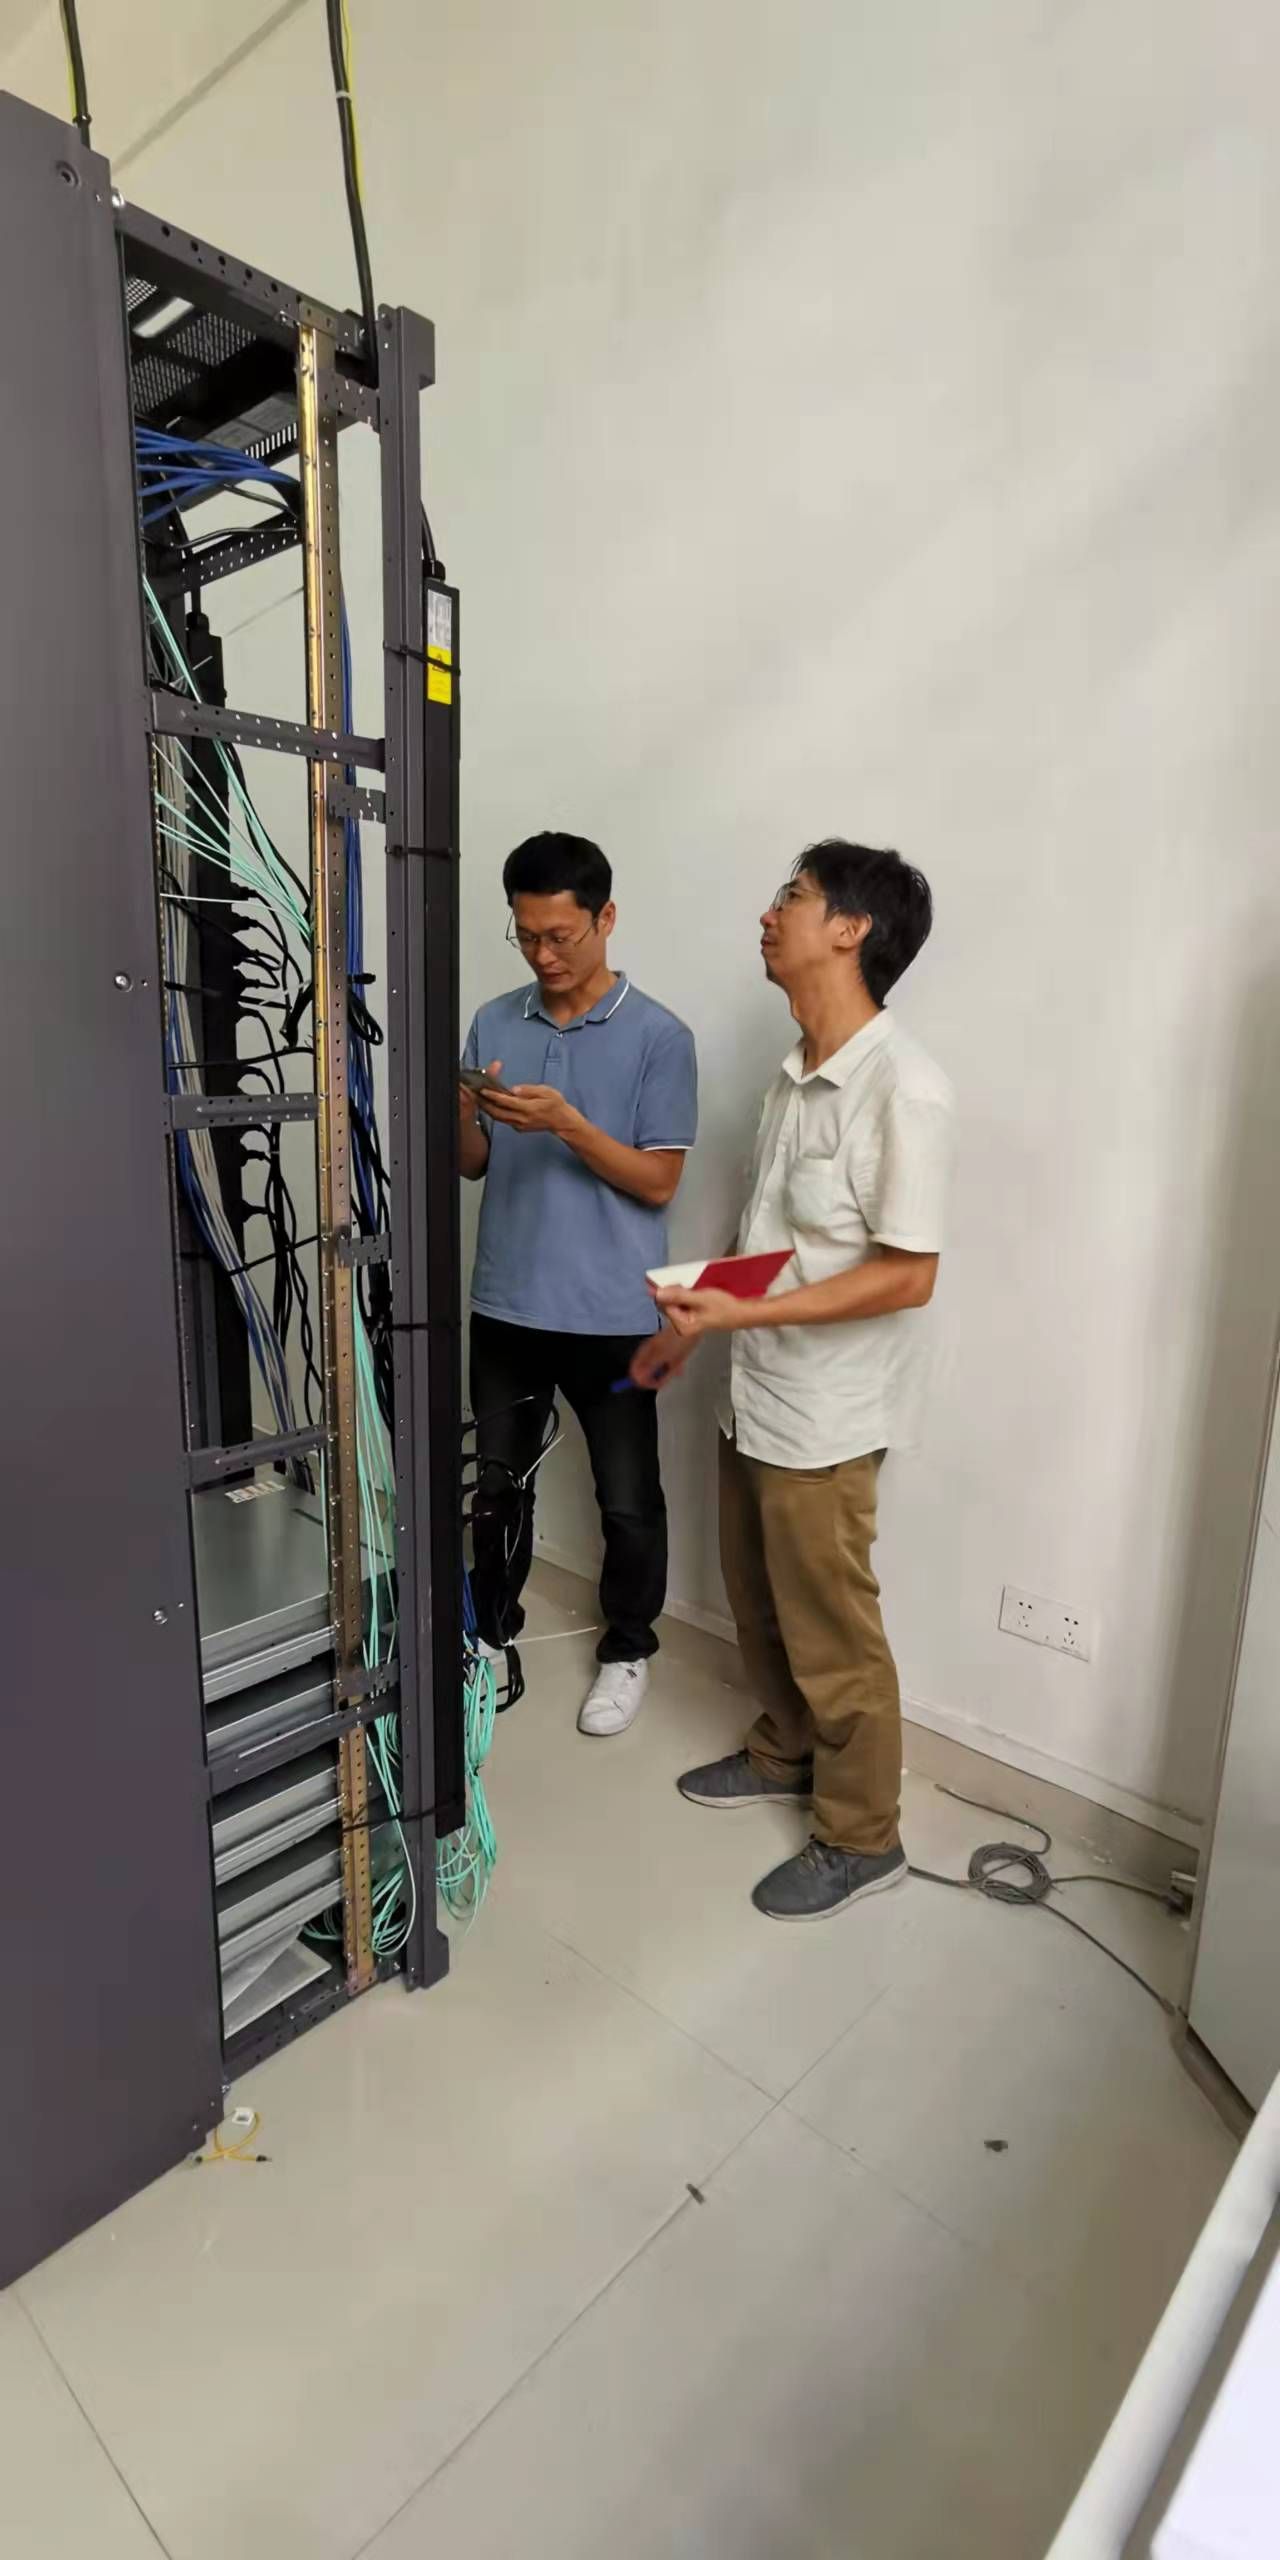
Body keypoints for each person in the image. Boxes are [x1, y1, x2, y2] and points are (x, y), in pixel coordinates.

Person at [631, 839, 953, 1918]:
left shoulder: (904, 1088)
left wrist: (745, 1313)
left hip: (828, 1417)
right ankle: (784, 1751)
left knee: (832, 1631)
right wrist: (698, 1318)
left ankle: (862, 1836)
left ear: (850, 930)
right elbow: (779, 1242)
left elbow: (906, 1274)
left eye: (793, 896)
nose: (768, 913)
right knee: (759, 1601)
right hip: (754, 1392)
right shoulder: (790, 1076)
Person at [460, 830, 697, 1735]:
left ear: (606, 919)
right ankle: (489, 1634)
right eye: (526, 935)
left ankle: (628, 1649)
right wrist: (461, 1109)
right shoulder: (494, 1020)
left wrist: (566, 1124)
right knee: (495, 1488)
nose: (543, 954)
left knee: (627, 1501)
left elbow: (659, 1181)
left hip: (612, 1315)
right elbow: (472, 1163)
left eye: (560, 935)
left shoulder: (659, 1037)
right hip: (507, 1304)